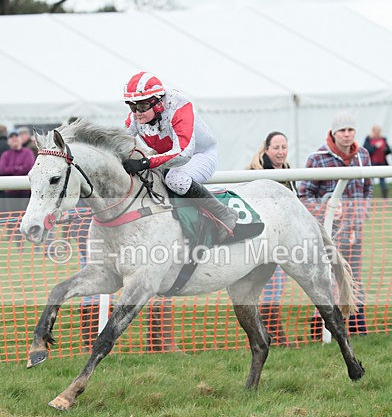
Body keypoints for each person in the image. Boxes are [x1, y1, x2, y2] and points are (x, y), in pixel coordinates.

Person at [120, 71, 260, 244]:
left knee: (175, 179)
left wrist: (145, 162)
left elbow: (183, 153)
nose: (137, 113)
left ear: (156, 103)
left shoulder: (178, 105)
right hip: (168, 159)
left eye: (141, 107)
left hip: (199, 155)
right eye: (132, 107)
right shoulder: (136, 116)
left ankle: (225, 214)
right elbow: (120, 142)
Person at [298, 111, 372, 336]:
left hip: (354, 231)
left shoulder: (363, 156)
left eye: (350, 130)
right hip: (327, 234)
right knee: (326, 280)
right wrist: (325, 205)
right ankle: (320, 329)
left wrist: (363, 212)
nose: (347, 134)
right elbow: (305, 195)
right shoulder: (317, 158)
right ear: (333, 132)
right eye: (342, 130)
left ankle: (357, 325)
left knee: (354, 278)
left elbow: (368, 188)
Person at [245, 131, 293, 345]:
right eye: (276, 148)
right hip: (262, 241)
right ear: (266, 150)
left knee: (277, 286)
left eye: (284, 147)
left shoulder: (289, 171)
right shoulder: (254, 173)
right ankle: (272, 332)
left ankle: (270, 331)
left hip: (283, 240)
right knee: (268, 286)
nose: (281, 152)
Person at [0, 130, 36, 246]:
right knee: (14, 218)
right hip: (11, 192)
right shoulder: (5, 155)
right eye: (12, 137)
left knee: (28, 216)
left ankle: (32, 239)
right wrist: (19, 168)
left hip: (26, 192)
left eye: (16, 137)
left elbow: (29, 167)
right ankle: (18, 243)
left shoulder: (28, 152)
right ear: (8, 141)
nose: (14, 139)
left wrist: (13, 169)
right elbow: (2, 170)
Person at [363, 125, 392, 198]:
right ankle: (369, 195)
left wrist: (385, 150)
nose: (378, 133)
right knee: (370, 181)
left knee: (382, 181)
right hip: (372, 163)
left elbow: (389, 150)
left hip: (382, 163)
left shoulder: (383, 139)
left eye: (379, 131)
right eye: (376, 131)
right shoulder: (368, 139)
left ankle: (385, 197)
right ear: (373, 131)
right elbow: (366, 150)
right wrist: (375, 146)